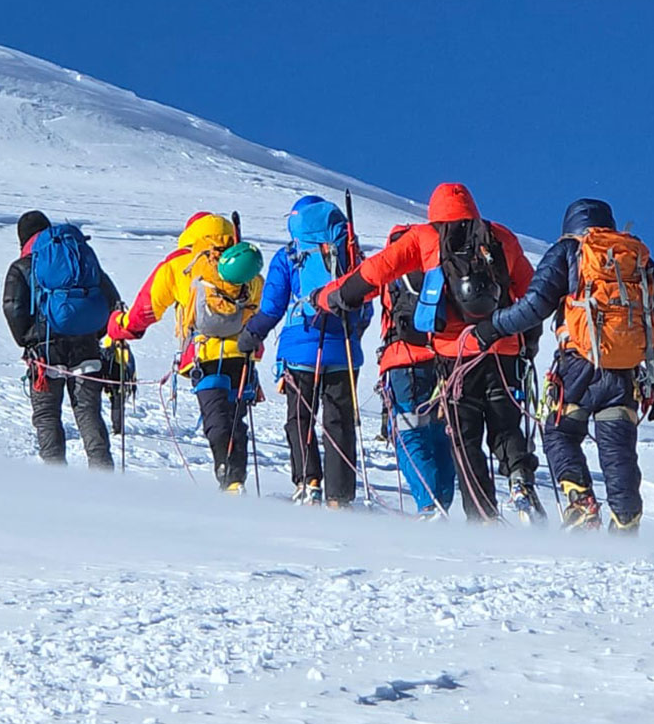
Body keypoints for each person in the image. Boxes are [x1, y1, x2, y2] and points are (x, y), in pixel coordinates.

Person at [314, 183, 542, 522]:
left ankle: (484, 517)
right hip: (502, 348)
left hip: (455, 356)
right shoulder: (500, 237)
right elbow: (531, 292)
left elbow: (374, 273)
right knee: (506, 426)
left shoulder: (423, 238)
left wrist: (331, 297)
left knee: (464, 440)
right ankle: (520, 482)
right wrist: (528, 342)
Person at [461, 199, 654, 531]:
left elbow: (535, 304)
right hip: (626, 370)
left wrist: (493, 327)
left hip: (577, 365)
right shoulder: (639, 260)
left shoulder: (567, 252)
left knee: (560, 432)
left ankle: (581, 503)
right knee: (617, 445)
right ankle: (626, 518)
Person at [107, 212, 265, 491]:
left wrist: (119, 327)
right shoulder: (244, 263)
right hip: (243, 355)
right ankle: (235, 480)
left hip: (203, 354)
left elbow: (145, 311)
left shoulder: (181, 263)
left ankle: (228, 482)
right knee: (235, 420)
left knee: (216, 418)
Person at [239, 196, 372, 508]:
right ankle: (340, 496)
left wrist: (251, 335)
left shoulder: (289, 254)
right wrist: (354, 333)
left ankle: (307, 481)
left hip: (301, 345)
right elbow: (366, 305)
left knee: (300, 417)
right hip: (343, 350)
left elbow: (272, 307)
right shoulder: (352, 252)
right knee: (339, 421)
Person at [2, 210, 121, 468]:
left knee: (47, 417)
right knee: (89, 414)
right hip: (87, 348)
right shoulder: (78, 259)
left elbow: (13, 307)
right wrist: (94, 333)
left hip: (45, 354)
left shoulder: (22, 267)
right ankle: (105, 481)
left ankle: (56, 485)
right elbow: (111, 301)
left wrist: (28, 340)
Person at [374, 223, 456, 519]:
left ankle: (428, 506)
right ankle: (441, 503)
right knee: (438, 434)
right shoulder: (439, 266)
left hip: (402, 360)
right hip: (443, 360)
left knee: (409, 433)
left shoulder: (393, 270)